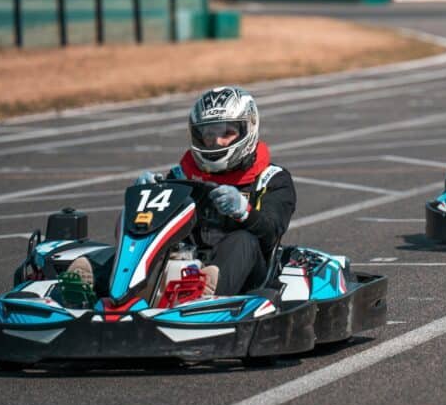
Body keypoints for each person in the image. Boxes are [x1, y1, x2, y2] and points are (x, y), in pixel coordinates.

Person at [69, 86, 296, 298]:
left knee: (243, 239)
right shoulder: (181, 175)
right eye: (208, 134)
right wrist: (147, 195)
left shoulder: (272, 178)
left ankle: (207, 291)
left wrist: (244, 212)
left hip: (247, 272)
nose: (216, 142)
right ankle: (96, 277)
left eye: (227, 132)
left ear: (248, 129)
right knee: (153, 239)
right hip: (188, 260)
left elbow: (271, 232)